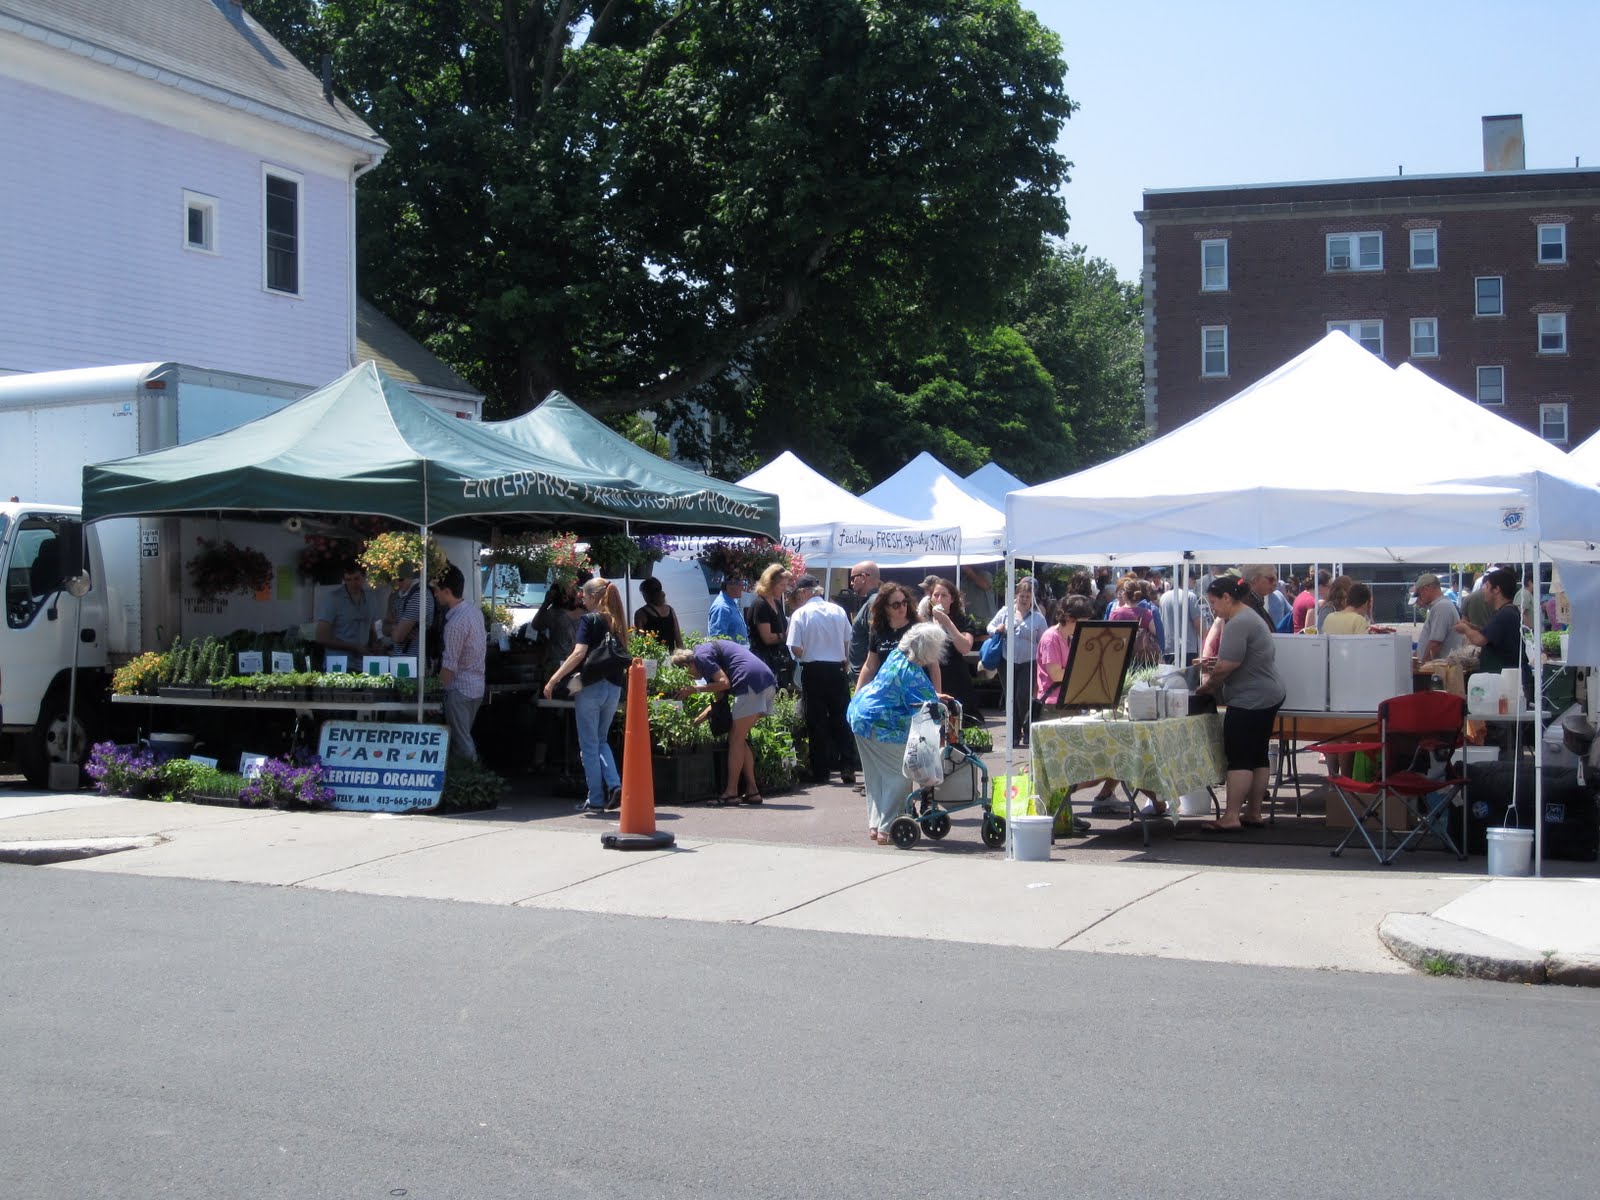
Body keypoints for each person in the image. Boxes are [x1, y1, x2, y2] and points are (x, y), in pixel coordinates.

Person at [1196, 575, 1287, 832]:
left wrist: (1208, 686)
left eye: (1213, 602)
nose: (1212, 608)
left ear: (1227, 598)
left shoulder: (1238, 622)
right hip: (1268, 694)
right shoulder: (1250, 617)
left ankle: (1232, 815)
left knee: (1239, 758)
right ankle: (1253, 812)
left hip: (1251, 698)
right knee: (1258, 755)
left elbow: (1228, 665)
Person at [847, 621, 946, 844]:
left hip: (861, 717)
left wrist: (933, 697)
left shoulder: (895, 657)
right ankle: (888, 828)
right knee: (899, 775)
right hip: (882, 726)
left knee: (876, 777)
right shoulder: (912, 672)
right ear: (928, 649)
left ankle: (876, 826)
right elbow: (928, 708)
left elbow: (902, 692)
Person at [543, 577, 629, 813]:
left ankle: (597, 798)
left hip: (590, 687)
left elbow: (578, 653)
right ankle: (614, 784)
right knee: (601, 741)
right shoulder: (617, 621)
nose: (583, 600)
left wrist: (554, 678)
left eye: (584, 596)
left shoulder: (589, 620)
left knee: (589, 745)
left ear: (593, 597)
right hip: (613, 687)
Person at [671, 640, 777, 805]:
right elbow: (719, 701)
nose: (690, 678)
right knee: (740, 739)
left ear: (688, 665)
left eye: (687, 674)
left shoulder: (702, 657)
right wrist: (695, 722)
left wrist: (694, 690)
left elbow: (724, 683)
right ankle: (752, 791)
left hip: (750, 683)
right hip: (765, 682)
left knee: (735, 738)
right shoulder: (706, 658)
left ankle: (731, 793)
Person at [786, 574, 858, 785]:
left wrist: (806, 652)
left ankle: (821, 770)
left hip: (814, 669)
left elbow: (796, 649)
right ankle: (847, 765)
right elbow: (847, 641)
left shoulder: (800, 614)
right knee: (841, 718)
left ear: (804, 592)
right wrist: (843, 659)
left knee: (817, 721)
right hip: (837, 668)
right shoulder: (838, 610)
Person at [432, 562, 487, 764]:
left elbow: (449, 666)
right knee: (460, 739)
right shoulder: (474, 612)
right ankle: (465, 779)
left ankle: (476, 782)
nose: (435, 595)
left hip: (459, 688)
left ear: (447, 591)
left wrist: (435, 692)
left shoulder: (455, 623)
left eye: (437, 590)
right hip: (476, 686)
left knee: (462, 741)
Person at [986, 576, 1048, 748]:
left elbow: (1044, 641)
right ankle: (1014, 734)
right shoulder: (1006, 612)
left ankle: (1027, 730)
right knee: (1010, 697)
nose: (1024, 599)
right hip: (1007, 661)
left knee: (1023, 697)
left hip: (1029, 662)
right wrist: (997, 629)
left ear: (1032, 598)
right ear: (1016, 596)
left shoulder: (1038, 618)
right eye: (1022, 596)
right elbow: (989, 627)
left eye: (1028, 596)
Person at [918, 576, 980, 719]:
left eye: (944, 595)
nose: (939, 599)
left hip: (955, 678)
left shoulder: (962, 620)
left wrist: (947, 623)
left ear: (952, 599)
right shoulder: (922, 621)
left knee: (956, 725)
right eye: (936, 595)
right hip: (928, 678)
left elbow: (965, 648)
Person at [1454, 566, 1526, 674]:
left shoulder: (1505, 614)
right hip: (1501, 674)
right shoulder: (1506, 611)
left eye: (1486, 586)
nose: (1483, 589)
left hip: (1504, 676)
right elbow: (1490, 633)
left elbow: (1480, 640)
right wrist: (1471, 626)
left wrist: (1465, 628)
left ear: (1496, 589)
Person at [855, 583, 927, 691]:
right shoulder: (878, 629)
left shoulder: (918, 628)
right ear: (885, 607)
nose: (902, 607)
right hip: (887, 692)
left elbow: (933, 665)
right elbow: (870, 666)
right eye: (896, 605)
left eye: (904, 602)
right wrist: (857, 694)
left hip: (915, 691)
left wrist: (936, 694)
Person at [315, 559, 380, 662]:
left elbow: (373, 626)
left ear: (364, 577)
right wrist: (354, 647)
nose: (353, 583)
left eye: (356, 579)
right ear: (344, 580)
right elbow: (321, 637)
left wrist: (376, 643)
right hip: (338, 661)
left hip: (363, 660)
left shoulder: (370, 597)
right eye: (348, 580)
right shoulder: (333, 598)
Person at [1036, 594, 1094, 706]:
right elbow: (1056, 675)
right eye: (1083, 621)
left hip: (1068, 700)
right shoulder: (1051, 638)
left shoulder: (1069, 637)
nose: (1085, 625)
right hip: (1053, 704)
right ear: (1069, 618)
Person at [747, 563, 793, 684]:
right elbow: (767, 638)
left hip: (778, 660)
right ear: (770, 584)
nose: (784, 588)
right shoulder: (760, 605)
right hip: (764, 661)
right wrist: (787, 636)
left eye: (786, 585)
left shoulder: (776, 603)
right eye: (781, 585)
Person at [382, 561, 431, 659]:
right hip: (399, 660)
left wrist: (396, 629)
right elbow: (384, 629)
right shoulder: (396, 596)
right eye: (394, 579)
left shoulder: (419, 596)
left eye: (400, 579)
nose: (397, 583)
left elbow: (398, 637)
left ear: (411, 577)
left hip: (417, 663)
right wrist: (396, 627)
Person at [1413, 572, 1463, 662]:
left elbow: (1435, 643)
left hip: (1436, 670)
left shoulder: (1441, 607)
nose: (1418, 599)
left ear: (1425, 589)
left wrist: (1422, 666)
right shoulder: (1439, 606)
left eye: (1418, 594)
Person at [845, 560, 883, 675]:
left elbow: (876, 640)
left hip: (869, 676)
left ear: (863, 577)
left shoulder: (874, 602)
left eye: (853, 578)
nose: (851, 583)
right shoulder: (871, 601)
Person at [1160, 577, 1204, 664]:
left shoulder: (1163, 597)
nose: (1195, 583)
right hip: (1188, 648)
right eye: (1193, 580)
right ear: (1187, 579)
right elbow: (1197, 623)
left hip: (1168, 647)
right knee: (1188, 677)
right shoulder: (1190, 596)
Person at [632, 576, 681, 651]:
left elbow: (640, 641)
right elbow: (678, 638)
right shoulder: (670, 610)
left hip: (652, 658)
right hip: (670, 656)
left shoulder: (641, 613)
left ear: (646, 594)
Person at [1247, 565, 1290, 630]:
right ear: (1255, 580)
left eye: (1276, 579)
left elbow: (1292, 613)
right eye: (1271, 579)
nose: (1275, 583)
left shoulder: (1278, 595)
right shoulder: (1246, 602)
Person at [707, 575, 748, 640]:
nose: (742, 587)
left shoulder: (731, 603)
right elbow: (718, 640)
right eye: (739, 584)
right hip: (731, 650)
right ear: (728, 586)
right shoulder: (722, 608)